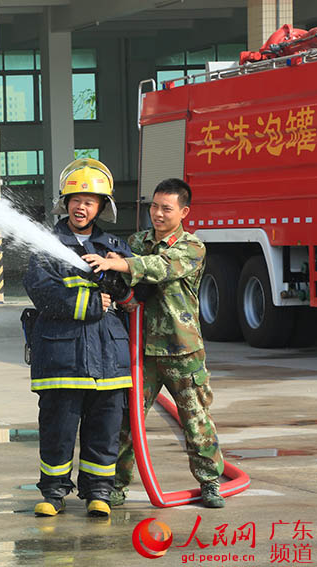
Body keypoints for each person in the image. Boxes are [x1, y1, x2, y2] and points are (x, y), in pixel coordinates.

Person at [82, 177, 226, 509]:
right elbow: (123, 279)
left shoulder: (192, 247)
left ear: (184, 212)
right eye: (154, 207)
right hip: (140, 350)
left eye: (166, 209)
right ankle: (116, 485)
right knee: (126, 421)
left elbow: (160, 268)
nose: (158, 214)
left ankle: (210, 483)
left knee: (195, 420)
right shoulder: (137, 241)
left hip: (181, 350)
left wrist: (121, 263)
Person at [23, 158, 134, 518]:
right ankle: (53, 493)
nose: (81, 207)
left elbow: (136, 294)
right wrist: (91, 302)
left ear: (101, 207)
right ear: (64, 203)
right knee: (58, 429)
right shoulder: (46, 244)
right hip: (62, 358)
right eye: (75, 200)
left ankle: (98, 493)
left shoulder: (115, 247)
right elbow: (41, 291)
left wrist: (116, 272)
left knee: (105, 430)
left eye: (89, 201)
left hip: (109, 359)